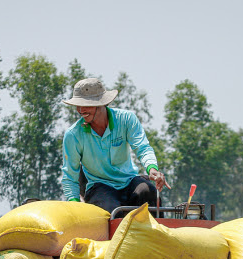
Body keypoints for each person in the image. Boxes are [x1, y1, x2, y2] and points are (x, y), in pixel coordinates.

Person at [61, 78, 170, 215]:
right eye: (78, 105)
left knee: (147, 191)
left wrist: (152, 169)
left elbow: (143, 148)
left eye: (86, 105)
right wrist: (74, 206)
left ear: (101, 104)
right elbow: (70, 176)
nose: (81, 110)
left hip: (129, 180)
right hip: (99, 186)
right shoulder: (73, 135)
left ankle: (155, 234)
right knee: (111, 210)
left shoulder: (126, 119)